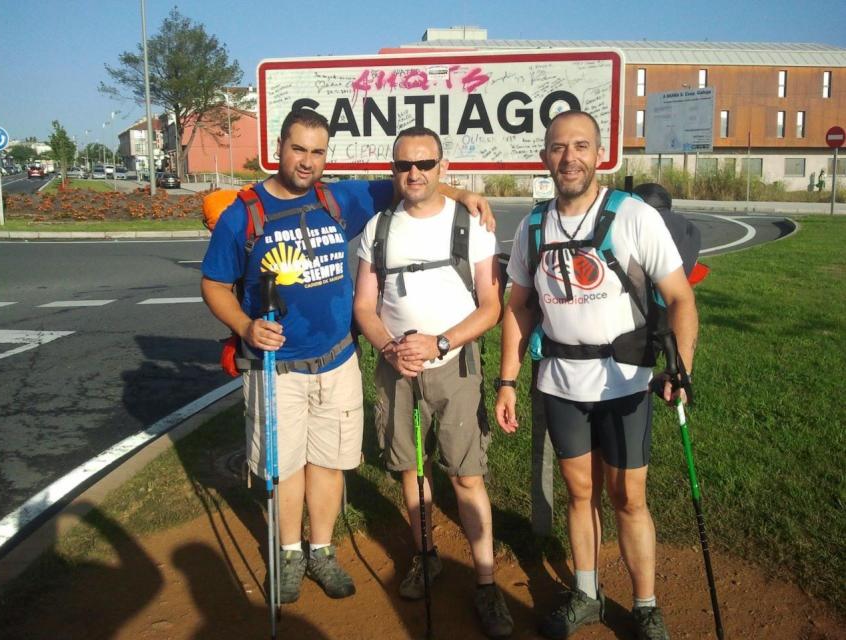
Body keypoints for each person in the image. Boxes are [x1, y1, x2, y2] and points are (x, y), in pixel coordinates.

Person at [200, 109, 493, 605]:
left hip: (337, 361)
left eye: (317, 152)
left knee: (328, 462)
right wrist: (246, 326)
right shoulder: (242, 213)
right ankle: (290, 553)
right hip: (277, 367)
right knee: (285, 467)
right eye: (298, 149)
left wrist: (462, 194)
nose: (307, 161)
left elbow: (413, 183)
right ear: (278, 147)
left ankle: (321, 550)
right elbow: (213, 284)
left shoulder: (339, 199)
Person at [494, 111, 698, 640]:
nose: (570, 158)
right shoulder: (533, 226)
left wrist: (680, 367)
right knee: (579, 492)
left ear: (600, 155)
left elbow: (680, 298)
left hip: (625, 382)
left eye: (581, 146)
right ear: (545, 157)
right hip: (561, 383)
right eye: (559, 148)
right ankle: (586, 593)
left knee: (628, 496)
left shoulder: (633, 216)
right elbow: (518, 307)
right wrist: (508, 381)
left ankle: (646, 605)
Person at [353, 126, 513, 638]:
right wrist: (390, 349)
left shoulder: (471, 223)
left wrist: (441, 343)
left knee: (466, 474)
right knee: (410, 467)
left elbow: (491, 307)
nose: (414, 173)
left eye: (425, 163)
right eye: (404, 165)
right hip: (396, 366)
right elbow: (364, 305)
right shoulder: (378, 227)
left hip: (454, 365)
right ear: (393, 170)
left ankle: (486, 582)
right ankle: (426, 557)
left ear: (443, 167)